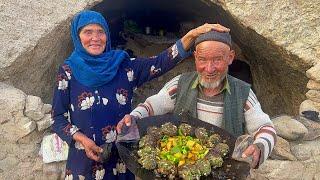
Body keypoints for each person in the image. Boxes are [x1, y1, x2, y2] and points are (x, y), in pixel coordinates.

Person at [51, 10, 230, 180]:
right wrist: (82, 139)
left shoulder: (124, 66)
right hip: (84, 162)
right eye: (88, 32)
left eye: (100, 32)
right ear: (77, 36)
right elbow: (57, 118)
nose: (95, 38)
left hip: (122, 159)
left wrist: (192, 35)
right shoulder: (68, 71)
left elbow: (162, 61)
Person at [117, 30, 276, 169]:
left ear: (230, 57)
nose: (209, 68)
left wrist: (259, 147)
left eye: (217, 59)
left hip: (225, 172)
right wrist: (134, 117)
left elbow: (265, 127)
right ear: (195, 58)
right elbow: (151, 106)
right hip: (181, 170)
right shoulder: (180, 84)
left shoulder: (243, 93)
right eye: (203, 59)